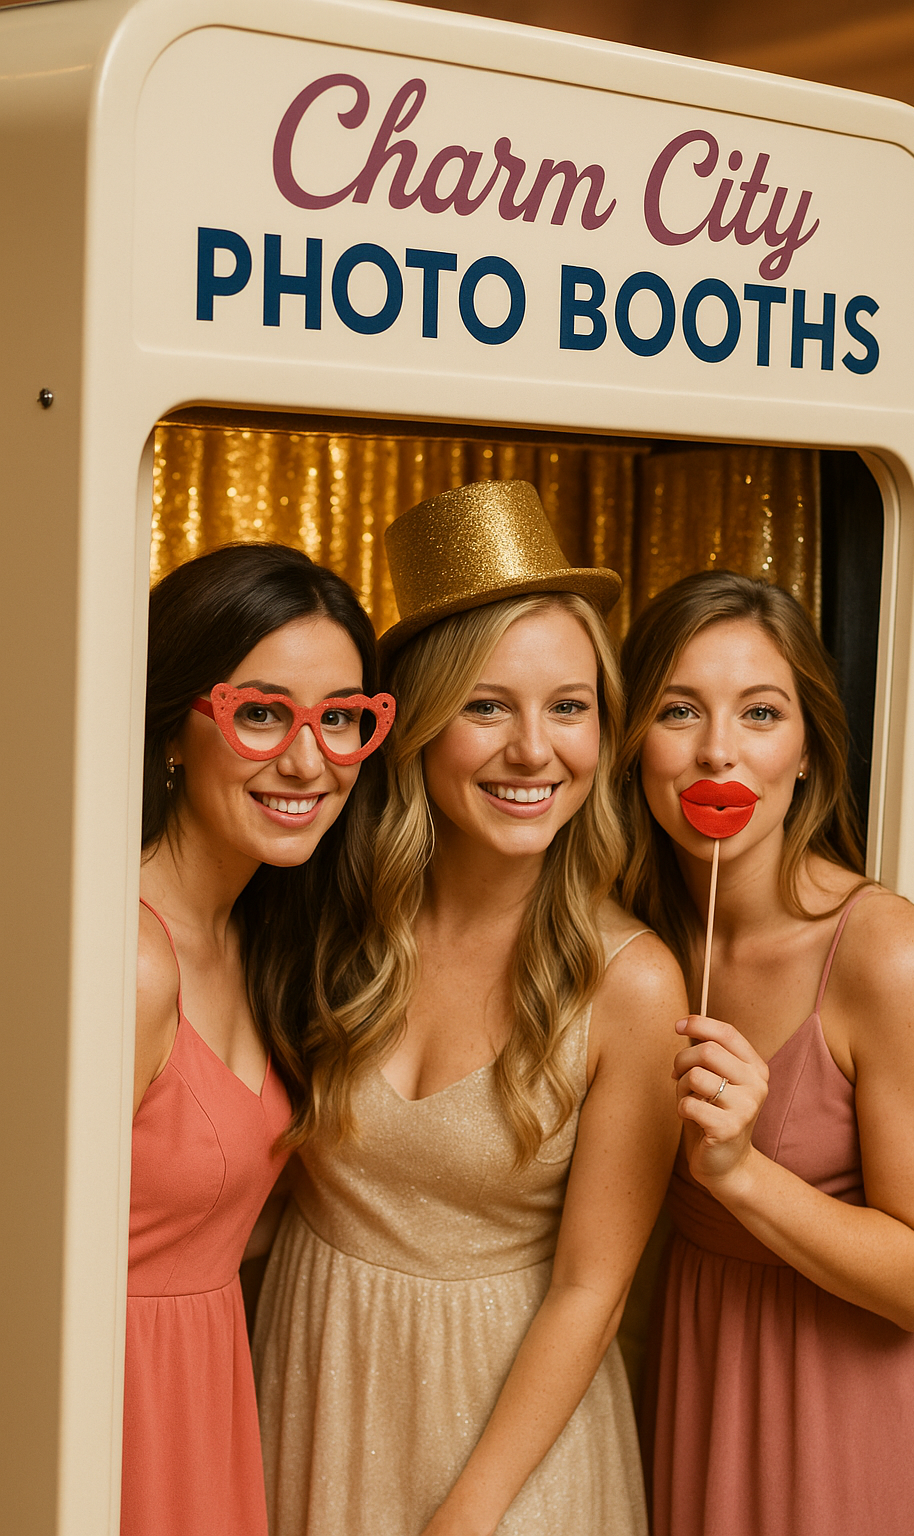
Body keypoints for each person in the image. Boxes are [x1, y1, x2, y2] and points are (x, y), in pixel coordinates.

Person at [253, 481, 684, 1536]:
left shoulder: (632, 984)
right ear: (421, 722)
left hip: (506, 1447)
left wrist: (470, 1512)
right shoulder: (322, 911)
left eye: (569, 707)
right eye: (487, 705)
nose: (534, 750)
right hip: (309, 1386)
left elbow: (593, 1289)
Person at [618, 569, 914, 1536]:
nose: (719, 749)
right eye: (680, 709)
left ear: (806, 752)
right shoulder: (634, 937)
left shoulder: (887, 953)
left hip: (868, 1389)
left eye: (761, 712)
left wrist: (739, 1172)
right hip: (704, 1355)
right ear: (632, 742)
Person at [126, 542, 393, 1536]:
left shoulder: (253, 939)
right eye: (262, 713)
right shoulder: (133, 959)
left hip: (204, 1407)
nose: (308, 760)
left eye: (341, 720)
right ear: (172, 729)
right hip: (109, 1413)